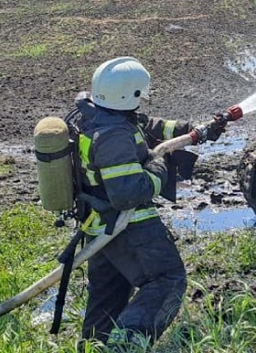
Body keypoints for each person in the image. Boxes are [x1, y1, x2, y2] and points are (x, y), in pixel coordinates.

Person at [68, 56, 222, 350]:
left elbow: (149, 126)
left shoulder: (102, 114)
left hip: (100, 227)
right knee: (167, 280)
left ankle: (94, 345)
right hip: (127, 226)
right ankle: (125, 346)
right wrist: (159, 168)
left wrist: (194, 130)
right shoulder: (113, 136)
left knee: (110, 291)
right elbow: (128, 192)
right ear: (130, 94)